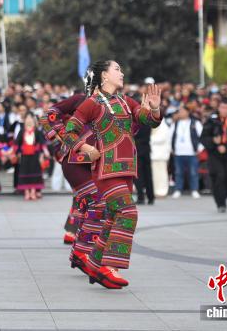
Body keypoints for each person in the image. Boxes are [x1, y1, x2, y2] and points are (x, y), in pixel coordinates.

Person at [63, 60, 161, 289]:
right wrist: (85, 147)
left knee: (113, 217)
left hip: (127, 169)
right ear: (104, 76)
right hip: (107, 170)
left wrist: (155, 108)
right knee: (128, 212)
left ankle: (95, 263)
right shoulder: (92, 103)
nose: (122, 73)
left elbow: (148, 120)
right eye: (117, 69)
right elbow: (69, 132)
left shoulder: (126, 101)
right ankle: (109, 267)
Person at [40, 76, 100, 269]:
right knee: (92, 200)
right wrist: (65, 140)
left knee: (88, 202)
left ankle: (79, 245)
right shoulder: (79, 99)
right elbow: (47, 117)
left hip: (97, 161)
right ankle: (81, 247)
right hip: (75, 160)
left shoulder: (109, 106)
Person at [200, 97, 227, 213]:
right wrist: (213, 141)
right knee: (219, 176)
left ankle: (224, 196)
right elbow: (203, 138)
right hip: (214, 154)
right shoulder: (211, 120)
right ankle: (221, 203)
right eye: (223, 107)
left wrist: (226, 148)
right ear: (218, 108)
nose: (225, 110)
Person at [170, 105, 203, 199]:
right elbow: (170, 136)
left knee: (193, 172)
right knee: (178, 172)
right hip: (178, 152)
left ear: (188, 112)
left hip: (192, 152)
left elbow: (202, 136)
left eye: (182, 111)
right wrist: (172, 149)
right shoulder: (175, 124)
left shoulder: (195, 123)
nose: (180, 113)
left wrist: (199, 149)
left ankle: (194, 190)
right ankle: (178, 190)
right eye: (179, 111)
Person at [14, 112, 49, 200]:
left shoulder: (37, 131)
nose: (29, 120)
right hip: (24, 156)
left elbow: (42, 143)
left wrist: (45, 151)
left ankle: (33, 191)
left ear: (33, 120)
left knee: (34, 172)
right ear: (25, 120)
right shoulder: (22, 131)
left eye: (31, 119)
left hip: (35, 156)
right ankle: (27, 192)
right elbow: (17, 143)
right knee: (25, 172)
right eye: (27, 118)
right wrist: (17, 152)